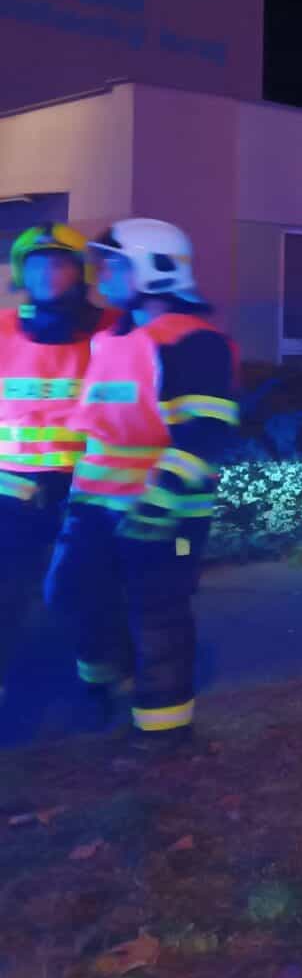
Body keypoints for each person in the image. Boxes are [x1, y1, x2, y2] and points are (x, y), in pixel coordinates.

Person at [45, 219, 238, 743]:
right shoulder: (113, 338)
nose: (101, 274)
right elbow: (100, 430)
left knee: (157, 616)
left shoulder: (195, 344)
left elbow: (203, 437)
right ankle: (103, 696)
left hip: (163, 509)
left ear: (154, 271)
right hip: (97, 506)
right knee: (77, 596)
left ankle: (163, 732)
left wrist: (158, 505)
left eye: (114, 263)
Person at [0, 225, 113, 703]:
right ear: (23, 272)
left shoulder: (109, 331)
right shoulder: (3, 328)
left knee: (90, 587)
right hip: (11, 483)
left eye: (60, 262)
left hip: (85, 484)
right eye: (38, 263)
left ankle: (100, 678)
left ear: (79, 271)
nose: (48, 272)